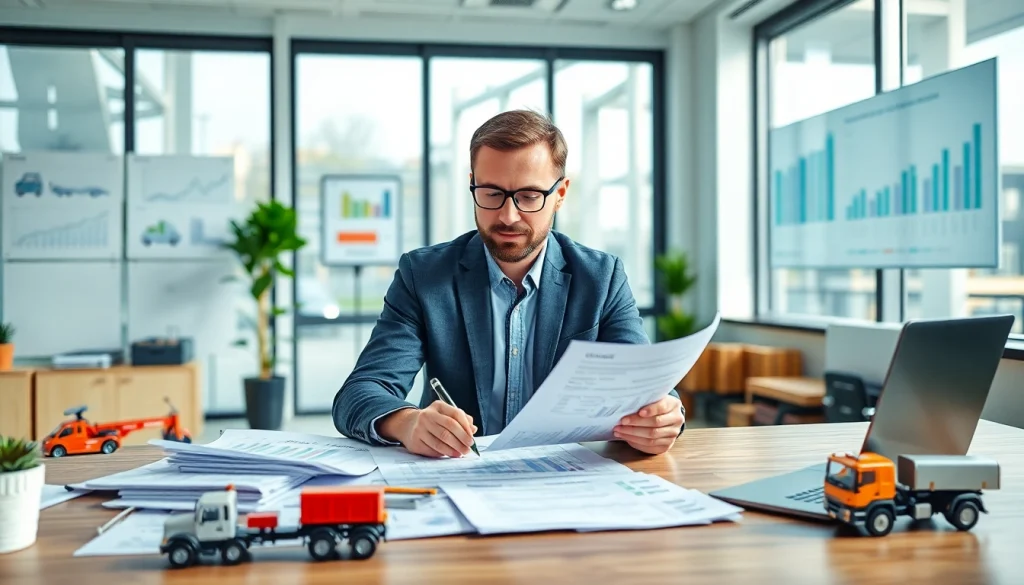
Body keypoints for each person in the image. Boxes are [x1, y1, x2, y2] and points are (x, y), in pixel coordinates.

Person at [332, 109, 684, 458]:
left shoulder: (602, 278)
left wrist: (665, 416)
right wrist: (407, 423)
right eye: (491, 193)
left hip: (570, 479)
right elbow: (360, 392)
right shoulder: (423, 276)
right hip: (461, 476)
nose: (508, 215)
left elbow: (647, 387)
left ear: (561, 193)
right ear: (472, 184)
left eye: (530, 196)